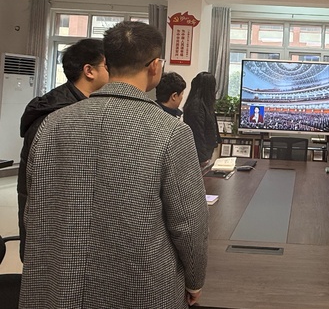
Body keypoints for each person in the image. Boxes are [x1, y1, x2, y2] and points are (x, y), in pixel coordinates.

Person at [20, 22, 209, 308]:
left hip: (60, 282)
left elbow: (34, 204)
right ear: (155, 66)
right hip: (140, 285)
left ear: (107, 63)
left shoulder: (52, 123)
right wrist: (195, 279)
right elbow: (188, 222)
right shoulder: (171, 131)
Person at [17, 38, 109, 261]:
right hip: (52, 226)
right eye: (108, 66)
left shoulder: (78, 105)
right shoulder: (58, 116)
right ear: (89, 71)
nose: (113, 73)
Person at [183, 71, 221, 165]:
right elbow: (197, 133)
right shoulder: (196, 107)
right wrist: (203, 158)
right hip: (200, 154)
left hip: (205, 150)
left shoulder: (205, 104)